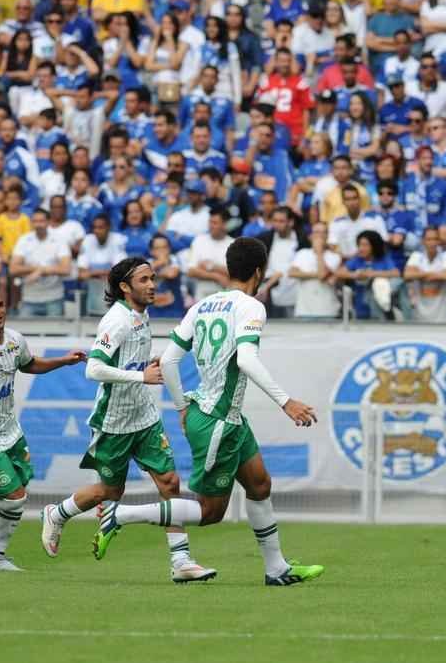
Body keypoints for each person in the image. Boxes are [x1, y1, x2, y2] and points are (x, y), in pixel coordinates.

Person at [90, 238, 325, 587]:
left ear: (229, 268)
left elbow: (169, 360)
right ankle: (119, 515)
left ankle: (277, 569)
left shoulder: (203, 305)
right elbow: (245, 359)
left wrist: (182, 407)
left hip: (218, 414)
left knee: (259, 484)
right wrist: (285, 401)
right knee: (210, 513)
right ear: (259, 272)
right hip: (217, 420)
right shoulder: (251, 307)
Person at [38, 258, 216, 583]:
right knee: (110, 491)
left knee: (170, 483)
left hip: (144, 418)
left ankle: (181, 560)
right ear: (125, 286)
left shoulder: (142, 315)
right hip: (114, 422)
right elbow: (94, 368)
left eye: (153, 278)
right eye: (145, 280)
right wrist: (140, 376)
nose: (152, 285)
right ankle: (56, 513)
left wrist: (145, 365)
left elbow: (129, 364)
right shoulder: (116, 320)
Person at [0, 289, 85, 572]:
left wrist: (63, 361)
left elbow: (29, 365)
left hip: (11, 431)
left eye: (0, 304)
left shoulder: (15, 340)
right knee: (15, 498)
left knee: (19, 492)